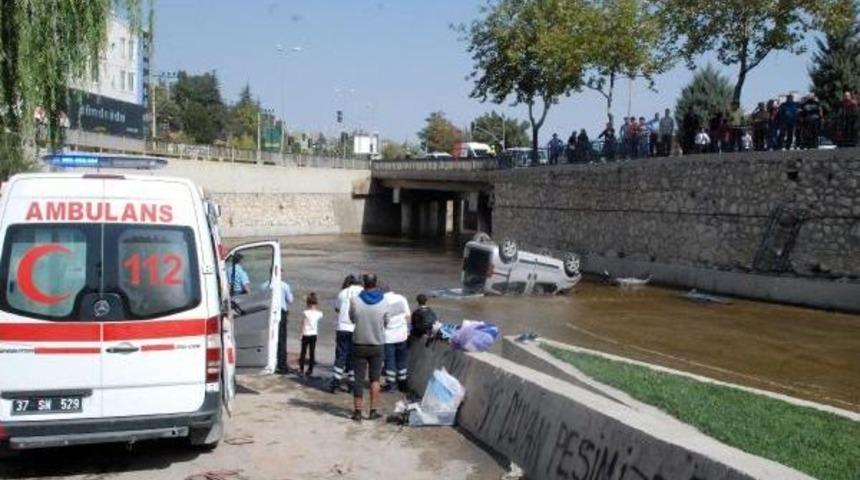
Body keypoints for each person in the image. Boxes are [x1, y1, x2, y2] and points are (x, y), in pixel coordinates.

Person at [348, 274, 388, 422]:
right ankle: (372, 412)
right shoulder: (384, 301)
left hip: (359, 343)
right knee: (375, 380)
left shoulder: (355, 300)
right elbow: (387, 322)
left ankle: (357, 413)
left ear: (364, 284)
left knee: (358, 379)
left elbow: (352, 319)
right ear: (376, 283)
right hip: (377, 344)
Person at [331, 274, 361, 393]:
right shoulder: (362, 292)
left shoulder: (342, 293)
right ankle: (352, 384)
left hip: (342, 327)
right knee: (353, 357)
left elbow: (337, 309)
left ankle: (335, 383)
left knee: (341, 355)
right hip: (356, 329)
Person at [382, 288, 411, 392]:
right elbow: (408, 316)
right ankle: (402, 383)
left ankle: (391, 384)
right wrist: (407, 330)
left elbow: (383, 319)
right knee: (401, 360)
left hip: (388, 336)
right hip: (402, 335)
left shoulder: (382, 301)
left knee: (390, 361)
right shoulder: (401, 298)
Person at [299, 293, 322, 377]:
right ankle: (310, 369)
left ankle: (301, 369)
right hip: (314, 334)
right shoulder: (319, 314)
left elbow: (303, 324)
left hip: (305, 333)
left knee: (303, 352)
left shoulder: (305, 312)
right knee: (312, 352)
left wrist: (301, 333)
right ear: (316, 303)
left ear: (308, 303)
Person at [275, 276, 294, 374]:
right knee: (282, 339)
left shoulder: (265, 285)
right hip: (281, 312)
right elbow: (290, 300)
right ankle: (282, 365)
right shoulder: (285, 285)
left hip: (269, 312)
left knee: (271, 338)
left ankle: (272, 361)